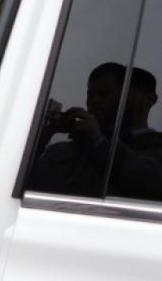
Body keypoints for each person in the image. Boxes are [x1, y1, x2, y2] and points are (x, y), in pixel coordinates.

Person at [30, 62, 162, 200]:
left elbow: (151, 184)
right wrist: (40, 139)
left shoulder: (155, 151)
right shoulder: (62, 151)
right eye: (90, 94)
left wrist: (99, 143)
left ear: (148, 99)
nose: (95, 101)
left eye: (105, 94)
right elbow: (27, 188)